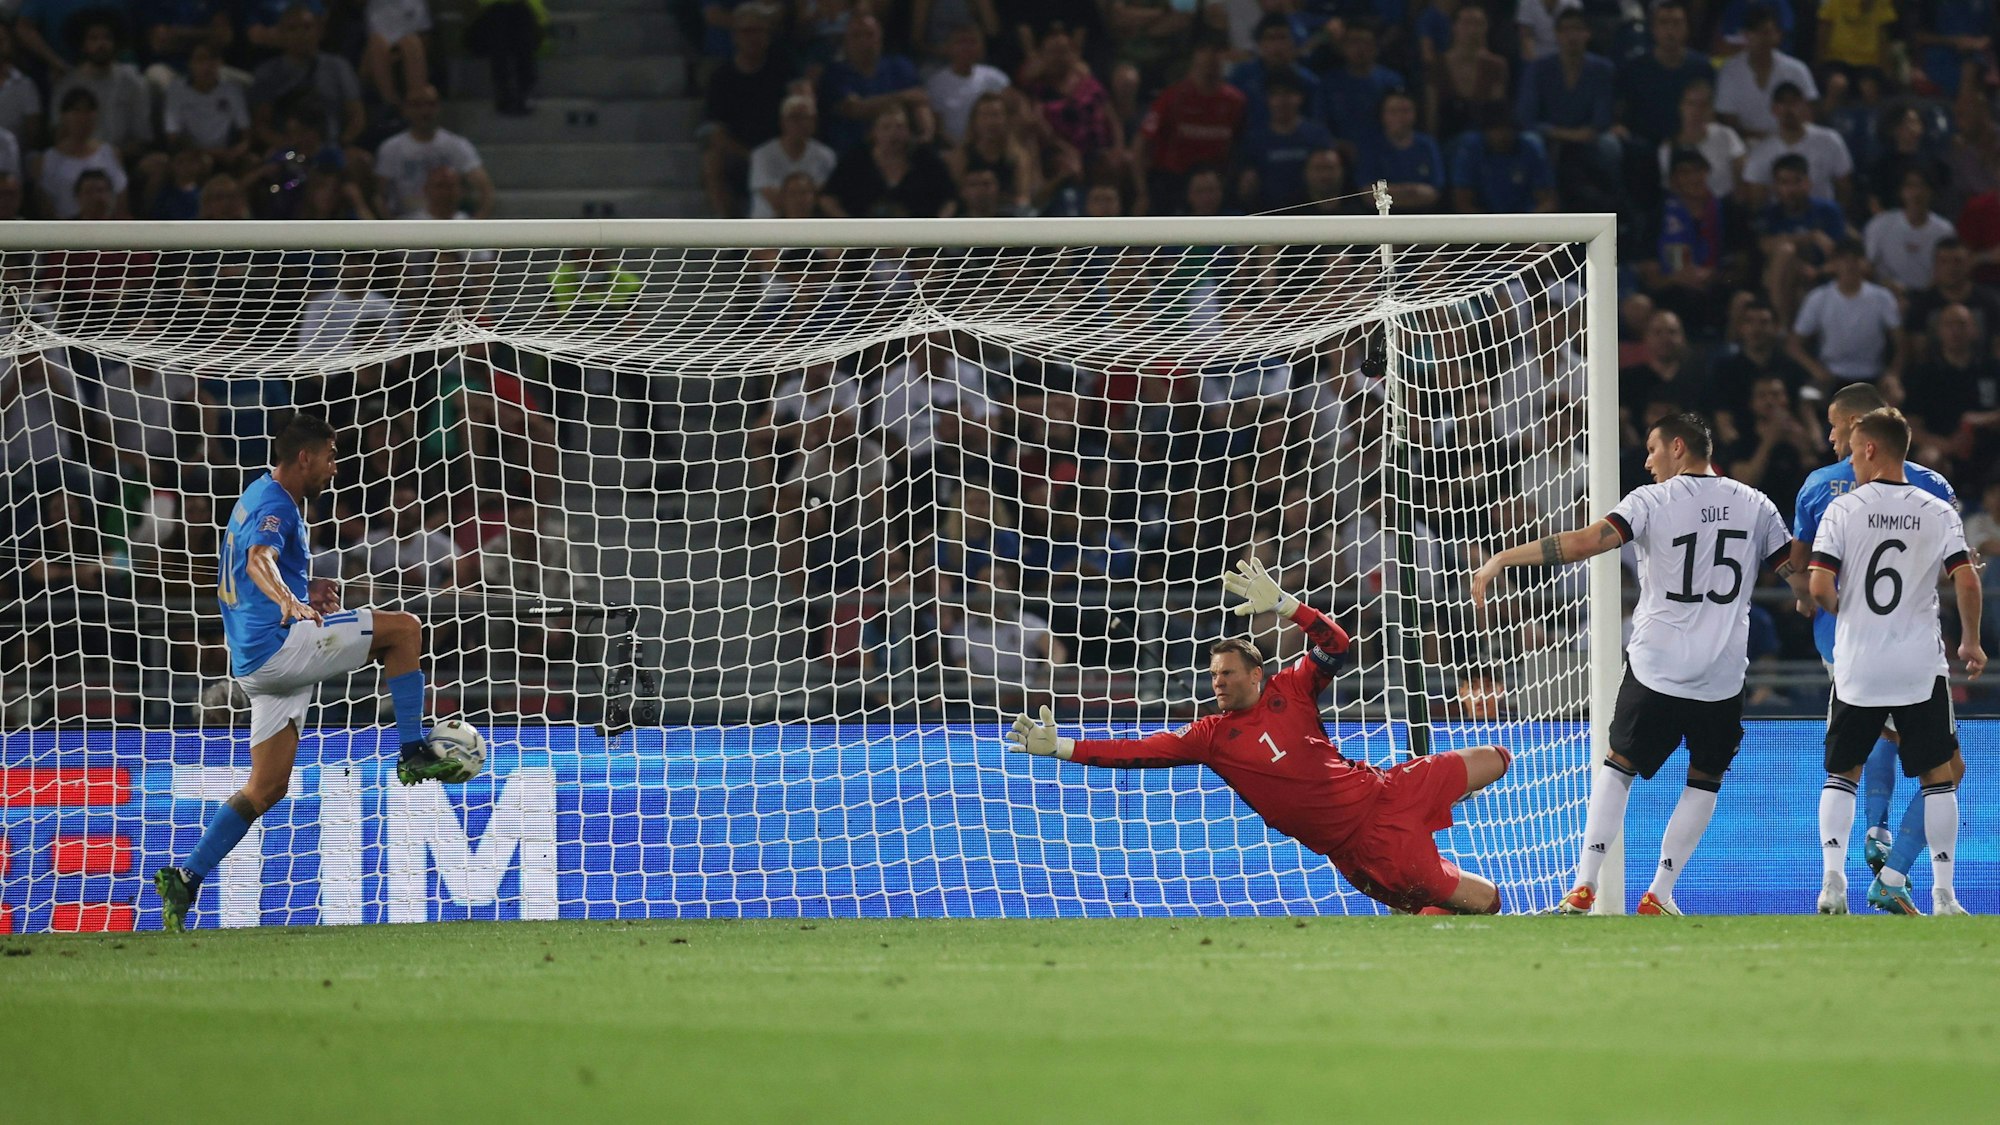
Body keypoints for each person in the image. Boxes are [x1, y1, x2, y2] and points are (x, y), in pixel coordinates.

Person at [1008, 557, 1515, 914]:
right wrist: (1063, 747)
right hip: (1365, 844)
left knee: (1497, 758)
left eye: (1227, 673)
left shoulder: (1292, 687)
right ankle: (1427, 895)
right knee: (1486, 902)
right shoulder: (1210, 736)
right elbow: (1136, 752)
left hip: (1389, 787)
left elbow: (1336, 643)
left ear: (1256, 674)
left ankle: (1436, 819)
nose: (1218, 683)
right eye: (1213, 676)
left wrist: (1288, 606)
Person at [1474, 414, 1797, 915]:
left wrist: (1503, 558)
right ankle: (1660, 894)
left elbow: (1584, 543)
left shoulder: (1651, 501)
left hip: (1658, 666)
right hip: (1722, 673)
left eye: (1651, 450)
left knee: (1618, 765)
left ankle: (1583, 886)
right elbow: (1796, 572)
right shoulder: (1755, 504)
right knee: (1704, 778)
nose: (1646, 462)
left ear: (1676, 446)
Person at [151, 414, 460, 932]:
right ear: (305, 458)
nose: (336, 469)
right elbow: (257, 562)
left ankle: (187, 876)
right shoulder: (276, 505)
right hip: (280, 647)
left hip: (255, 664)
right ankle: (413, 754)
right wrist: (292, 600)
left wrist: (306, 585)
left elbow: (260, 566)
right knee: (405, 630)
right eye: (332, 458)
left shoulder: (258, 494)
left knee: (266, 788)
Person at [1791, 383, 1959, 912]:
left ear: (1865, 432)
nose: (1830, 435)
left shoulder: (1821, 488)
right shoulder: (1932, 487)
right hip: (1910, 647)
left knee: (1853, 757)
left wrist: (1825, 601)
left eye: (1838, 425)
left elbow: (1803, 570)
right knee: (1945, 771)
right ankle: (1898, 867)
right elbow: (1957, 569)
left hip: (1845, 645)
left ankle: (1869, 840)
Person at [1789, 238, 1901, 388]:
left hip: (1874, 376)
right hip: (1830, 375)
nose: (1850, 265)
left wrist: (1892, 374)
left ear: (1864, 263)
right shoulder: (1818, 298)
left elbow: (1901, 344)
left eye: (1855, 259)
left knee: (1895, 395)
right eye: (1843, 260)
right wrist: (1817, 370)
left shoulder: (1882, 297)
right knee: (1808, 397)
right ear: (1833, 265)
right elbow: (1794, 345)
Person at [374, 85, 494, 219]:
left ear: (439, 107)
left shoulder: (457, 145)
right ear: (405, 109)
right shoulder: (390, 148)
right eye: (417, 105)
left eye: (430, 104)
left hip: (451, 223)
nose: (425, 111)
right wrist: (392, 231)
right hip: (407, 225)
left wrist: (475, 227)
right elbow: (379, 195)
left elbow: (485, 189)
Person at [1713, 5, 1817, 141]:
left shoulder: (1797, 70)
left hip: (1792, 142)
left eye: (1767, 32)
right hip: (1746, 145)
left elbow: (1809, 113)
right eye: (1755, 33)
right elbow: (1728, 120)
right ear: (1745, 35)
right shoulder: (1730, 70)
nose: (1761, 39)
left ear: (1778, 35)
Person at [1863, 169, 1955, 295]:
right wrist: (1886, 285)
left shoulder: (1945, 230)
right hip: (1885, 295)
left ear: (1931, 192)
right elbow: (1867, 265)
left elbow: (1948, 271)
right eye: (1910, 186)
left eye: (1922, 186)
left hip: (1929, 297)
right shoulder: (1880, 224)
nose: (1916, 193)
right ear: (1901, 191)